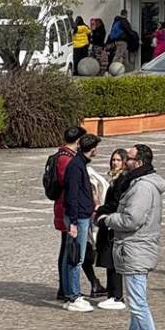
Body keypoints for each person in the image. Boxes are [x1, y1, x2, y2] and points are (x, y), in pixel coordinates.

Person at [97, 144, 165, 330]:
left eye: (129, 157)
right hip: (138, 248)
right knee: (139, 302)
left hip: (135, 248)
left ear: (139, 162)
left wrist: (107, 219)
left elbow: (131, 220)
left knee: (138, 305)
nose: (125, 160)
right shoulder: (141, 183)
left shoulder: (142, 188)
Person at [62, 132, 100, 312]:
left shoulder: (77, 164)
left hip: (79, 217)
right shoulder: (76, 167)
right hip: (78, 219)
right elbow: (72, 196)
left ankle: (72, 294)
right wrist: (74, 223)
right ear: (91, 150)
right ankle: (74, 296)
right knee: (76, 257)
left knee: (74, 256)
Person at [51, 125, 85, 303]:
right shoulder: (67, 159)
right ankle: (65, 289)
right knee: (68, 250)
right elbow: (70, 184)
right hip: (66, 208)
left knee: (66, 248)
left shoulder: (62, 155)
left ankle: (64, 288)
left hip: (63, 206)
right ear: (78, 141)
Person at [93, 148, 128, 310]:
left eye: (118, 160)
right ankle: (112, 294)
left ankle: (117, 296)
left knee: (113, 261)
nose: (115, 163)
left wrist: (101, 210)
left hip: (113, 222)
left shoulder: (122, 180)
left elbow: (115, 202)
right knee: (109, 261)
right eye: (113, 160)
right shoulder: (115, 178)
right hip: (109, 221)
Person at [83, 137, 111, 299]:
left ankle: (95, 283)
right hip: (92, 216)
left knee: (86, 252)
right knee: (90, 251)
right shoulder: (85, 170)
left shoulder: (84, 167)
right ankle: (98, 285)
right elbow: (93, 192)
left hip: (92, 216)